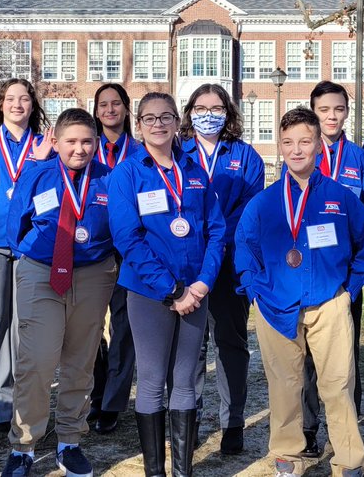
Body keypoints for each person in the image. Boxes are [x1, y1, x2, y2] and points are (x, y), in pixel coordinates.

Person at [235, 107, 364, 477]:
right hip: (274, 307)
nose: (296, 149)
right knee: (285, 387)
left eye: (304, 141)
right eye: (288, 142)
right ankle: (288, 455)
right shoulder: (264, 203)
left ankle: (347, 459)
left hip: (328, 304)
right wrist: (254, 288)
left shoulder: (340, 197)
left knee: (337, 385)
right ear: (280, 147)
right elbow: (244, 249)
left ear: (319, 145)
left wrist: (348, 290)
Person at [107, 92, 226, 477]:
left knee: (186, 380)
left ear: (178, 123)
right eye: (149, 118)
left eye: (165, 117)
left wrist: (203, 284)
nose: (158, 124)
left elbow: (216, 231)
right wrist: (173, 291)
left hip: (195, 291)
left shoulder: (194, 171)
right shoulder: (127, 173)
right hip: (149, 293)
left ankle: (183, 472)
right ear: (138, 125)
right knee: (153, 380)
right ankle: (155, 472)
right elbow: (128, 239)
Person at [0, 108, 118, 477]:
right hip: (41, 272)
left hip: (93, 275)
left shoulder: (109, 179)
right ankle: (23, 445)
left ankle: (70, 441)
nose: (79, 149)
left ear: (96, 144)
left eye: (87, 141)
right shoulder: (36, 175)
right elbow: (14, 225)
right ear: (55, 141)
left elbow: (120, 227)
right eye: (71, 141)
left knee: (80, 361)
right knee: (36, 361)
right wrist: (36, 253)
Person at [178, 84, 264, 454]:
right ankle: (189, 418)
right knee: (190, 348)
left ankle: (232, 423)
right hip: (188, 265)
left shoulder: (246, 156)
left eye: (216, 107)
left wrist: (215, 239)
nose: (208, 113)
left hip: (228, 263)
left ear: (228, 112)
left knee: (230, 343)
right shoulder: (177, 151)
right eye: (200, 107)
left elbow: (249, 209)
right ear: (189, 112)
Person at [299, 81, 364, 457]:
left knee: (346, 357)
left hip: (344, 279)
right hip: (307, 275)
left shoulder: (360, 159)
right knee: (307, 359)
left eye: (338, 109)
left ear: (347, 112)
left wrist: (361, 281)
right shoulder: (302, 154)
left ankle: (344, 430)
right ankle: (307, 430)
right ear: (313, 112)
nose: (331, 117)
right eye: (323, 110)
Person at [0, 78, 54, 428]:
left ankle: (26, 402)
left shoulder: (45, 145)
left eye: (24, 99)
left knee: (26, 326)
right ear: (0, 104)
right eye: (10, 98)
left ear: (33, 105)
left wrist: (39, 162)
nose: (17, 104)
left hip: (31, 244)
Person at [88, 83, 145, 435]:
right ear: (96, 111)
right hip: (91, 249)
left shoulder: (140, 151)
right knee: (90, 328)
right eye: (103, 104)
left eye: (116, 104)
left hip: (129, 251)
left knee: (123, 328)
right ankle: (95, 390)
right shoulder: (83, 147)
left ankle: (112, 403)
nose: (109, 110)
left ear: (126, 108)